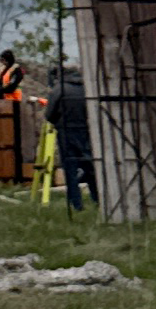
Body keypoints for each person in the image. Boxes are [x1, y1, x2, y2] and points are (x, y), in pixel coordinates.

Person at [43, 59, 98, 213]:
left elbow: (49, 114)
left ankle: (77, 204)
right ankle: (98, 199)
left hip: (66, 131)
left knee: (70, 170)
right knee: (89, 168)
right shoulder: (86, 89)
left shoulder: (59, 90)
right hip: (85, 130)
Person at [0, 47, 28, 184]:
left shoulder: (17, 70)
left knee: (14, 139)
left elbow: (12, 86)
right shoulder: (2, 70)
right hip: (2, 105)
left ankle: (17, 176)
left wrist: (0, 92)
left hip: (13, 104)